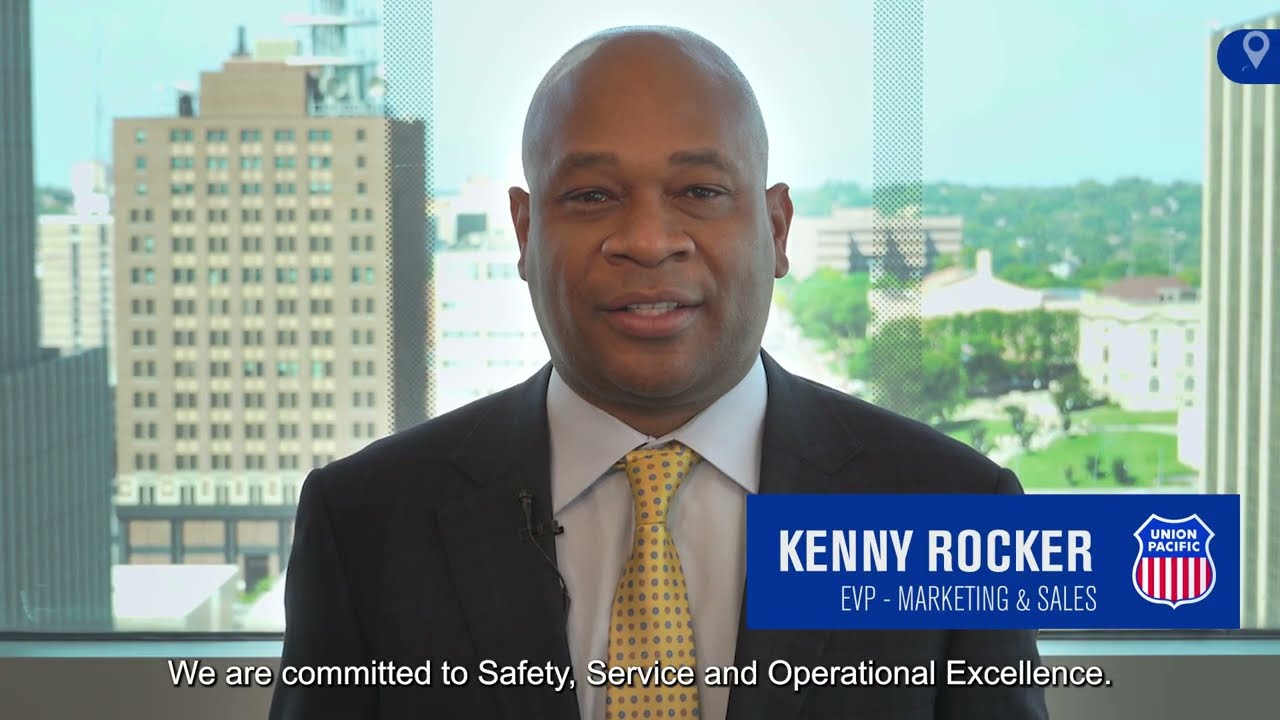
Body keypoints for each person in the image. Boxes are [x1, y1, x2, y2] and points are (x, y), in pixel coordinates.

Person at [269, 25, 1049, 720]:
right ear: (525, 231)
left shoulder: (954, 512)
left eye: (700, 191)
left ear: (777, 229)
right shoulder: (366, 522)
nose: (647, 241)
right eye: (592, 195)